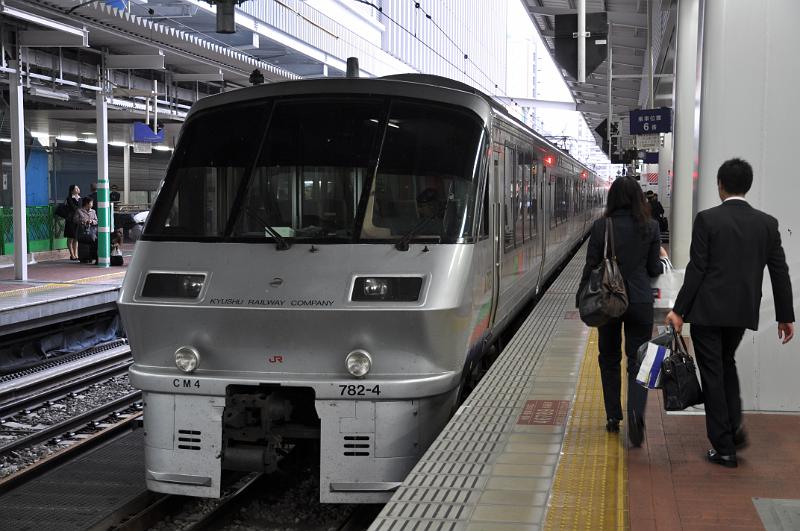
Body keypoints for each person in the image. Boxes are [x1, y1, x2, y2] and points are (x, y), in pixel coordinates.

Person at [666, 158, 794, 468]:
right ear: (746, 186)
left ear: (720, 186)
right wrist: (785, 316)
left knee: (713, 373)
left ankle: (723, 447)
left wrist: (678, 310)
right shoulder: (767, 223)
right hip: (741, 312)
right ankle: (732, 427)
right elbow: (779, 272)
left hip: (708, 312)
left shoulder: (708, 220)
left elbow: (698, 270)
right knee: (725, 362)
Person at [579, 176, 662, 446]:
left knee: (610, 357)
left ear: (612, 199)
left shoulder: (602, 226)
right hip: (639, 300)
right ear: (639, 198)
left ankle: (613, 417)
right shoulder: (650, 227)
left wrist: (581, 296)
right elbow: (653, 269)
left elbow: (592, 265)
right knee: (640, 360)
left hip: (609, 300)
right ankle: (636, 414)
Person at [63, 184, 81, 260]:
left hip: (78, 220)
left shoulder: (80, 198)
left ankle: (76, 254)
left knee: (76, 238)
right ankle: (72, 254)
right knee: (70, 238)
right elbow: (74, 208)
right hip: (70, 220)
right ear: (72, 190)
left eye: (78, 188)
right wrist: (80, 210)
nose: (78, 189)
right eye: (76, 188)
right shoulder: (69, 198)